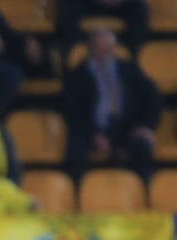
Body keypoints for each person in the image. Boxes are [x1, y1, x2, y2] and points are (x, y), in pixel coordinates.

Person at [64, 28, 160, 181]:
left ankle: (143, 191)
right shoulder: (77, 76)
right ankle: (77, 193)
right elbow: (73, 113)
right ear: (90, 48)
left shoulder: (129, 69)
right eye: (100, 47)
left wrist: (146, 126)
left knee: (142, 145)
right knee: (75, 150)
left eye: (109, 48)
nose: (105, 52)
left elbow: (153, 97)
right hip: (91, 128)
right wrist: (93, 135)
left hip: (126, 127)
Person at [56, 0, 148, 52]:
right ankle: (72, 51)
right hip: (88, 3)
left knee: (139, 7)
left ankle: (132, 53)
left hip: (120, 4)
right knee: (67, 4)